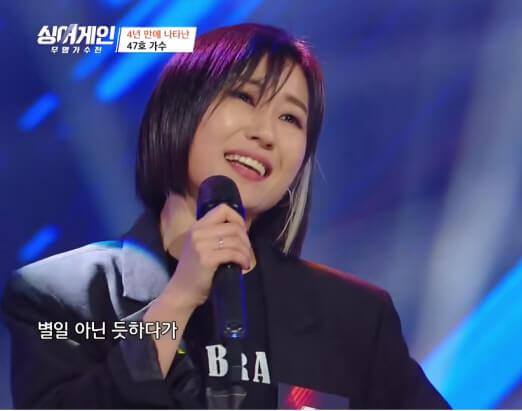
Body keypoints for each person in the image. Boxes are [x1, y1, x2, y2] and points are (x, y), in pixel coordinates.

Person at [0, 23, 450, 409]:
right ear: (180, 108)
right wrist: (179, 299)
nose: (266, 134)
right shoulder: (61, 296)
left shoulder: (353, 320)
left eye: (291, 119)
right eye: (245, 97)